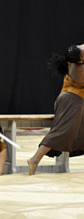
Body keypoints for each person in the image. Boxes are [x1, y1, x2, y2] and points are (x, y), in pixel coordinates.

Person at [28, 44, 84, 175]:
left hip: (77, 100)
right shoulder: (78, 69)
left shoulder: (77, 56)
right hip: (71, 100)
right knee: (63, 131)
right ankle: (34, 159)